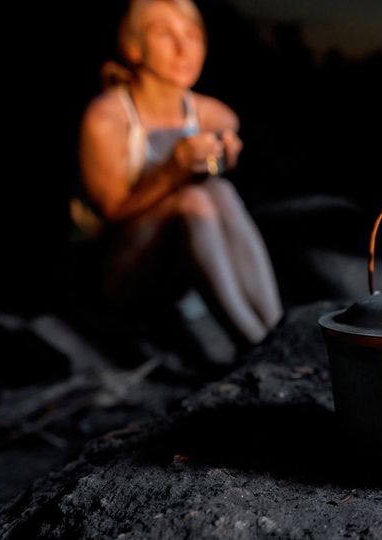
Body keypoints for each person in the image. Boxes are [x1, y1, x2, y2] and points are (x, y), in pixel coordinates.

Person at [75, 0, 282, 346]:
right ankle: (251, 340)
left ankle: (275, 327)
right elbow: (111, 211)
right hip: (125, 272)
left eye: (192, 34)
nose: (183, 48)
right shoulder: (107, 118)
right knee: (191, 199)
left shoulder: (214, 115)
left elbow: (220, 162)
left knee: (220, 192)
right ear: (133, 46)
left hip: (182, 276)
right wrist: (172, 169)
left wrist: (221, 158)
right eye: (163, 34)